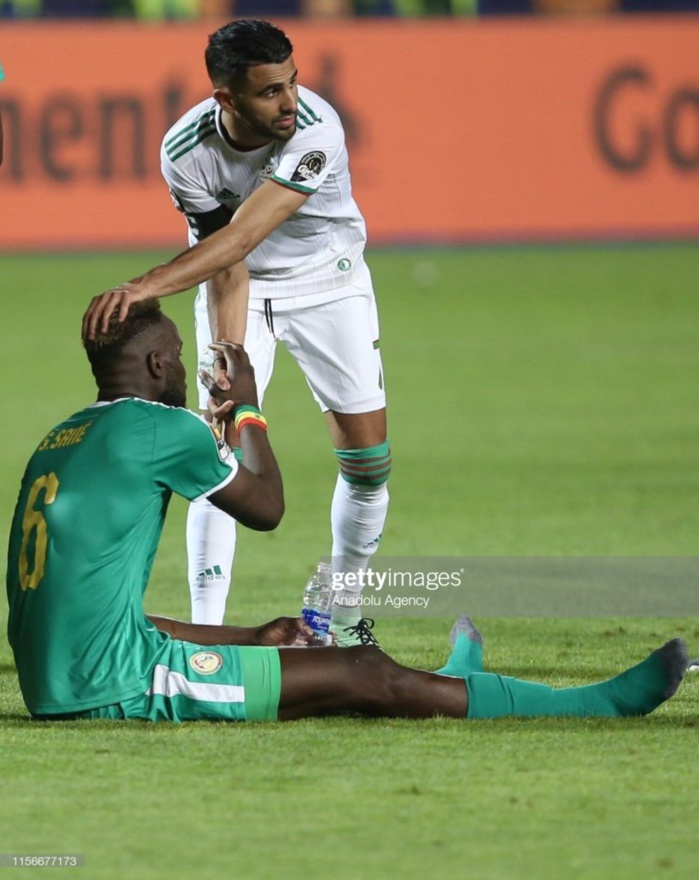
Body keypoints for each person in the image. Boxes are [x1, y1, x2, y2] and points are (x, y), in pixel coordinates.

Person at [6, 302, 690, 722]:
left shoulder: (60, 439)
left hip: (61, 677)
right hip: (114, 686)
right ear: (157, 363)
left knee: (329, 662)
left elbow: (87, 611)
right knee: (362, 672)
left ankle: (457, 682)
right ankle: (593, 703)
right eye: (180, 358)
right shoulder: (159, 427)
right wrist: (245, 407)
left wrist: (252, 636)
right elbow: (267, 507)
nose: (185, 370)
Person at [83, 19, 391, 644]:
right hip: (237, 287)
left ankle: (341, 621)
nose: (290, 101)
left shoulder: (317, 130)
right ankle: (208, 633)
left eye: (292, 82)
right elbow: (228, 263)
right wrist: (230, 358)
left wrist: (146, 286)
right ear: (226, 98)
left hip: (330, 284)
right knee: (216, 451)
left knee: (368, 463)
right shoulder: (184, 151)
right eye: (270, 91)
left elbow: (245, 235)